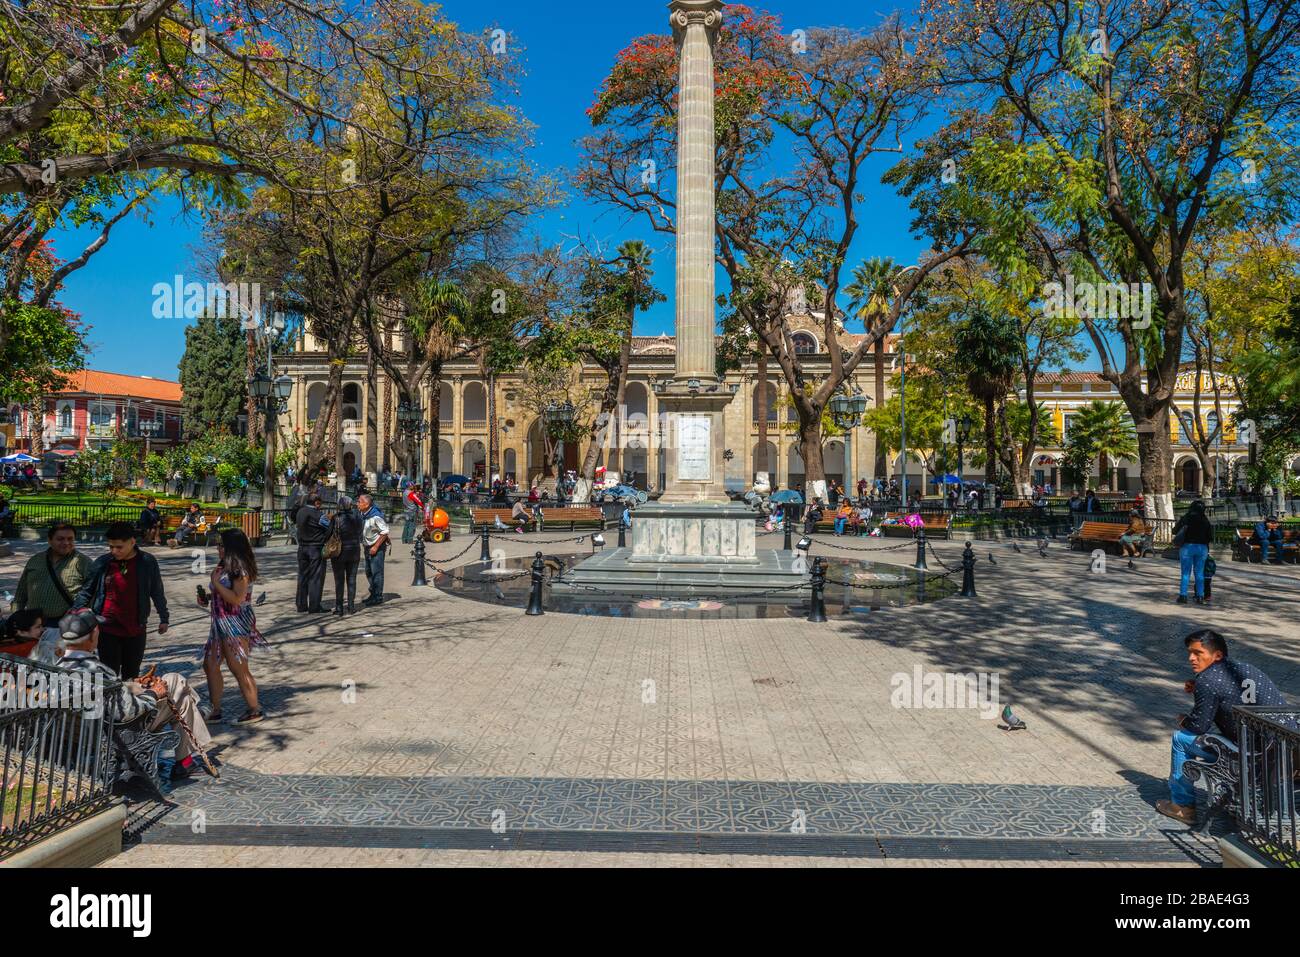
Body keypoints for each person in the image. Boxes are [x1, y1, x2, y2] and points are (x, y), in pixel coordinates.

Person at [54, 608, 214, 779]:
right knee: (176, 685)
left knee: (178, 694)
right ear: (93, 634)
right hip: (121, 735)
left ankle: (193, 715)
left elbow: (103, 696)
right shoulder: (98, 671)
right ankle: (186, 757)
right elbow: (129, 712)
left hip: (86, 732)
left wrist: (130, 686)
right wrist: (153, 693)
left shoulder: (57, 668)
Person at [1157, 629, 1288, 824]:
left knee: (1181, 738)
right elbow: (1231, 693)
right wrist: (1199, 688)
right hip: (1285, 752)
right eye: (1189, 653)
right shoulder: (1247, 668)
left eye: (1198, 653)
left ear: (1217, 655)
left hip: (1253, 759)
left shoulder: (1208, 681)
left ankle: (1182, 806)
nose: (1191, 658)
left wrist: (1184, 719)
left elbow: (1198, 727)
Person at [71, 522, 169, 680]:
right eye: (111, 547)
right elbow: (87, 591)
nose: (114, 551)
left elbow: (156, 591)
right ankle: (109, 704)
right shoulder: (103, 563)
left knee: (131, 674)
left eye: (119, 547)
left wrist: (164, 617)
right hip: (107, 628)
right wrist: (73, 613)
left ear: (132, 542)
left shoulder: (147, 561)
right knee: (109, 675)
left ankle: (128, 704)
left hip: (135, 629)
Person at [198, 529, 265, 724]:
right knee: (209, 664)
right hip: (220, 622)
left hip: (235, 622)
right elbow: (223, 592)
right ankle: (215, 709)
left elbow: (237, 599)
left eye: (222, 545)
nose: (218, 548)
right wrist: (208, 597)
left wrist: (215, 583)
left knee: (238, 668)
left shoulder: (241, 570)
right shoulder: (224, 566)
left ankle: (254, 709)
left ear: (232, 548)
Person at [15, 522, 92, 628]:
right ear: (49, 540)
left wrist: (79, 615)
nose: (66, 543)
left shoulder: (82, 562)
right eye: (60, 539)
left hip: (65, 625)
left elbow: (93, 593)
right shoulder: (35, 560)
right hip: (33, 625)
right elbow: (21, 592)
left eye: (70, 539)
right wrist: (16, 615)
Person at [294, 492, 330, 613]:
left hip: (302, 548)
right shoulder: (319, 515)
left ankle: (301, 604)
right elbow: (330, 527)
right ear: (316, 503)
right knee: (315, 577)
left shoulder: (300, 512)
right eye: (320, 504)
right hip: (315, 548)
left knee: (303, 576)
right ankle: (314, 606)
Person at [1172, 500, 1213, 605]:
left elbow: (1174, 531)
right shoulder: (1205, 520)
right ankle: (1200, 596)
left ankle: (1183, 596)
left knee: (1185, 573)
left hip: (1187, 547)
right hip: (1202, 548)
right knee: (1199, 573)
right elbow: (1210, 537)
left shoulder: (1186, 518)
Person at [330, 495, 364, 616]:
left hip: (339, 552)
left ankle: (339, 607)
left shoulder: (336, 518)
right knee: (352, 579)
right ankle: (351, 606)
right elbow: (360, 531)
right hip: (354, 551)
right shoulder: (358, 517)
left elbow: (329, 533)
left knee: (339, 580)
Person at [357, 493, 390, 607]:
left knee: (377, 572)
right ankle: (373, 593)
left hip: (377, 547)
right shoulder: (363, 513)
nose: (358, 504)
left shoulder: (375, 516)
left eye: (359, 502)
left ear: (366, 504)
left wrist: (376, 546)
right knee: (368, 571)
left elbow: (385, 532)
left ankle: (378, 597)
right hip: (367, 547)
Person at [401, 480, 424, 545]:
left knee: (406, 525)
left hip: (406, 510)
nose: (413, 486)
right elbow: (418, 501)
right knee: (412, 526)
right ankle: (410, 540)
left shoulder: (404, 492)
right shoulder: (411, 493)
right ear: (410, 486)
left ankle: (404, 539)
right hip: (412, 511)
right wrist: (423, 507)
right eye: (412, 485)